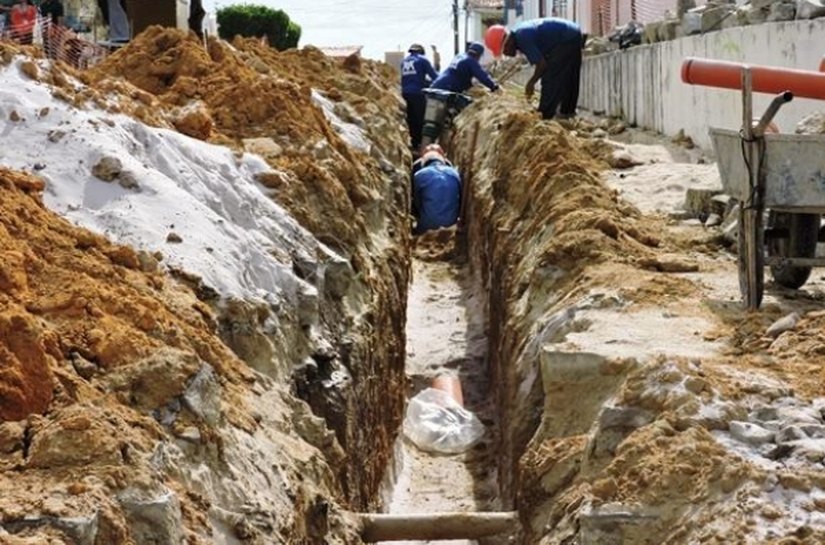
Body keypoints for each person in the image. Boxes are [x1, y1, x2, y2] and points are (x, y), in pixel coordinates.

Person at [501, 17, 585, 120]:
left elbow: (542, 65)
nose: (508, 55)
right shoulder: (519, 33)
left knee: (550, 77)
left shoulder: (522, 37)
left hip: (567, 38)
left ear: (508, 44)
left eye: (505, 52)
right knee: (569, 76)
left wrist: (531, 83)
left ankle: (544, 115)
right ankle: (567, 111)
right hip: (573, 33)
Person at [412, 148, 462, 235]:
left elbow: (417, 201)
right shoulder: (455, 174)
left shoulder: (419, 175)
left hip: (427, 225)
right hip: (451, 224)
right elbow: (460, 198)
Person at [401, 43, 438, 151]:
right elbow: (434, 76)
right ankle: (423, 146)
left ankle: (414, 143)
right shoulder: (423, 60)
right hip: (417, 94)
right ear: (421, 52)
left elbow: (412, 78)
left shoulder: (404, 62)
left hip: (405, 93)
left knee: (411, 119)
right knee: (421, 119)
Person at [430, 42, 499, 94]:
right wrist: (493, 86)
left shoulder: (459, 56)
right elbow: (482, 76)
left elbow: (460, 75)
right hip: (447, 89)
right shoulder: (471, 61)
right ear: (479, 55)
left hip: (436, 85)